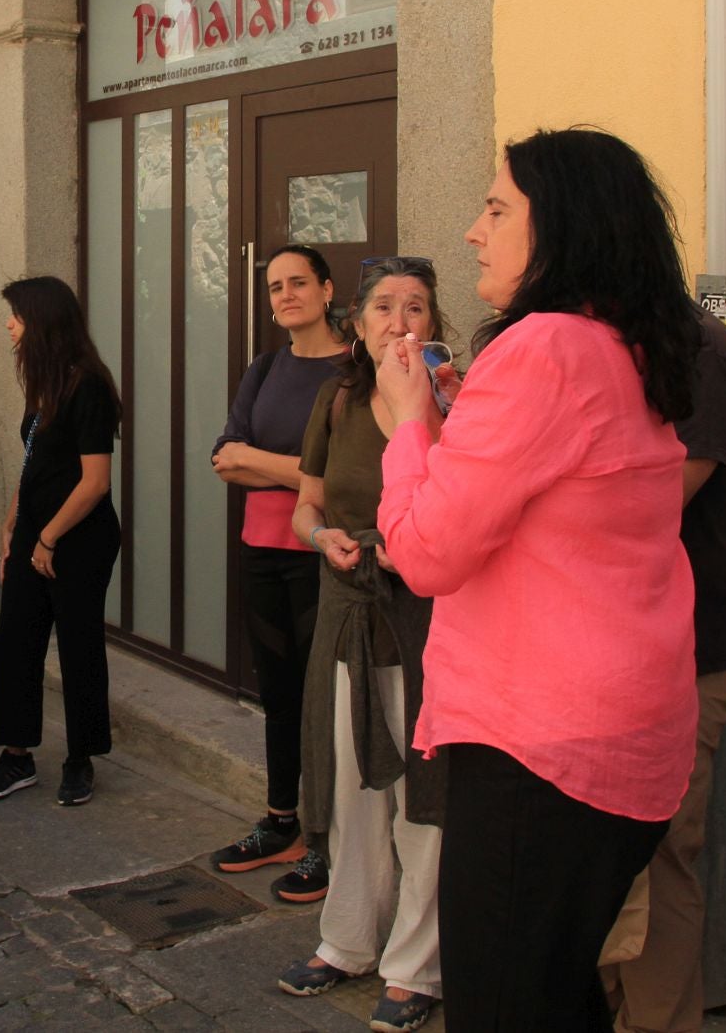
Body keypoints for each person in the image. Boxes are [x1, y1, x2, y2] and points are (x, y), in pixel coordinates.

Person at [375, 128, 702, 1028]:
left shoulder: (544, 348)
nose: (475, 233)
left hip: (542, 749)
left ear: (559, 227)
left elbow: (427, 552)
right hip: (619, 738)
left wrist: (408, 423)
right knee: (556, 990)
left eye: (496, 209)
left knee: (505, 1004)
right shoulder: (627, 343)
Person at [272, 257, 453, 1033]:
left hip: (430, 625)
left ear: (434, 327)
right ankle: (346, 941)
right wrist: (324, 541)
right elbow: (303, 507)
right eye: (384, 306)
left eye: (416, 307)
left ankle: (417, 966)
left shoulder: (457, 403)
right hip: (349, 615)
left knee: (425, 802)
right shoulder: (337, 402)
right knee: (352, 789)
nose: (400, 320)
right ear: (358, 323)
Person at [601, 307, 726, 1033]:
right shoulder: (600, 343)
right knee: (605, 862)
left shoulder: (701, 351)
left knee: (660, 860)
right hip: (607, 654)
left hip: (688, 657)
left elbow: (654, 503)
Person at [208, 245, 347, 903]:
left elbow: (341, 474)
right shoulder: (264, 368)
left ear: (326, 289)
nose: (286, 295)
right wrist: (297, 467)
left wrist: (263, 462)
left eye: (298, 283)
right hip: (261, 549)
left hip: (322, 557)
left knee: (326, 702)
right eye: (275, 287)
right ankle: (282, 821)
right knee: (279, 694)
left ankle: (326, 838)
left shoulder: (354, 370)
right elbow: (221, 458)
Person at [0, 276, 121, 807]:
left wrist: (49, 539)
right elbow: (36, 459)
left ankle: (80, 759)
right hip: (36, 534)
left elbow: (95, 481)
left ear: (42, 321)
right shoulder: (45, 383)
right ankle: (16, 756)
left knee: (80, 648)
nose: (9, 325)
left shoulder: (89, 386)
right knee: (16, 643)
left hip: (77, 540)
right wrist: (12, 525)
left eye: (16, 316)